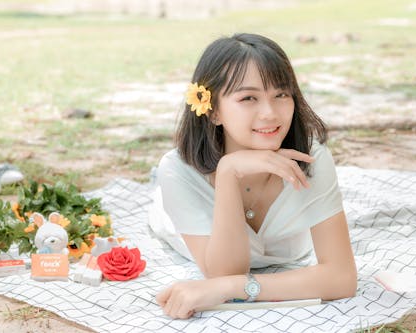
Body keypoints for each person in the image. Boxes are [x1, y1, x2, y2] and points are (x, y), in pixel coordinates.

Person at [150, 33, 357, 319]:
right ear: (212, 112)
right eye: (248, 97)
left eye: (281, 94)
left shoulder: (311, 158)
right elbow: (222, 272)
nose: (270, 113)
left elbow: (342, 278)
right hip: (178, 218)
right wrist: (227, 173)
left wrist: (238, 286)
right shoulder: (178, 170)